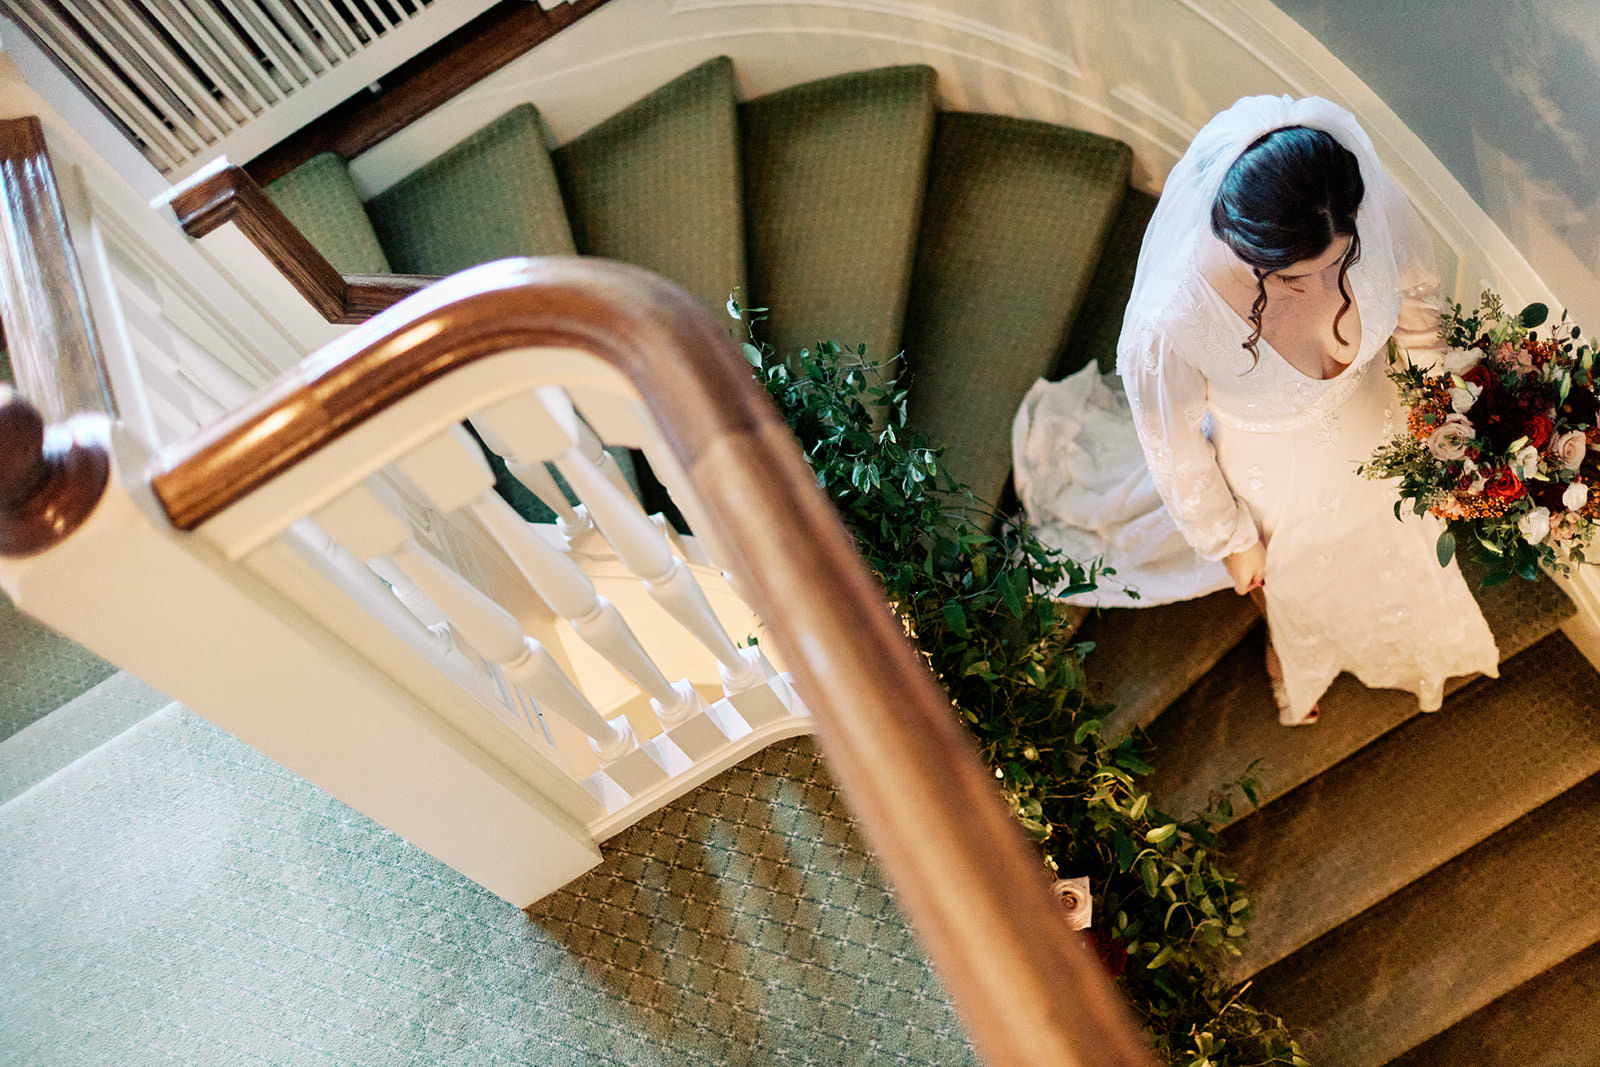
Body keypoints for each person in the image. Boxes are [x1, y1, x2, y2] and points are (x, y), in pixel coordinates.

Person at [1011, 94, 1499, 725]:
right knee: (1295, 577)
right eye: (1296, 279)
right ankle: (1290, 651)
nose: (1328, 291)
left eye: (1342, 263)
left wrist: (1441, 416)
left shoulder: (1363, 209)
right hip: (1278, 480)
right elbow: (1178, 452)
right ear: (1246, 252)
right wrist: (1230, 540)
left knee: (1391, 549)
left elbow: (1418, 321)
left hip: (1388, 438)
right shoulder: (1172, 323)